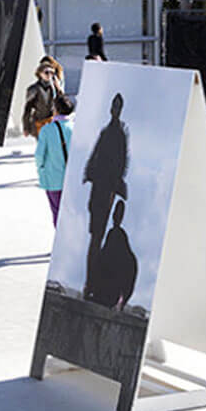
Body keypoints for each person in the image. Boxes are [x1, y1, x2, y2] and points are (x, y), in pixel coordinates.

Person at [83, 94, 129, 300]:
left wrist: (115, 186)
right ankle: (89, 282)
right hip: (99, 186)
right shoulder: (107, 131)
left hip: (107, 187)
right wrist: (89, 172)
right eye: (114, 106)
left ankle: (94, 283)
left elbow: (121, 162)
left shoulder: (119, 133)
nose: (115, 109)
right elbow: (96, 154)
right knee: (95, 237)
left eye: (118, 106)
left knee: (99, 235)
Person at [36, 95, 75, 228]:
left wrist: (41, 170)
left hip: (53, 178)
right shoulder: (75, 128)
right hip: (72, 179)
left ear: (56, 110)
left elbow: (39, 155)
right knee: (72, 211)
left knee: (57, 211)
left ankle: (61, 242)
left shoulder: (47, 129)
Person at [23, 60, 62, 138]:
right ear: (40, 73)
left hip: (51, 122)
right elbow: (27, 109)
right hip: (38, 122)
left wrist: (58, 88)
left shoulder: (54, 87)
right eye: (46, 72)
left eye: (52, 73)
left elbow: (63, 103)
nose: (49, 75)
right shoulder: (34, 89)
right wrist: (26, 127)